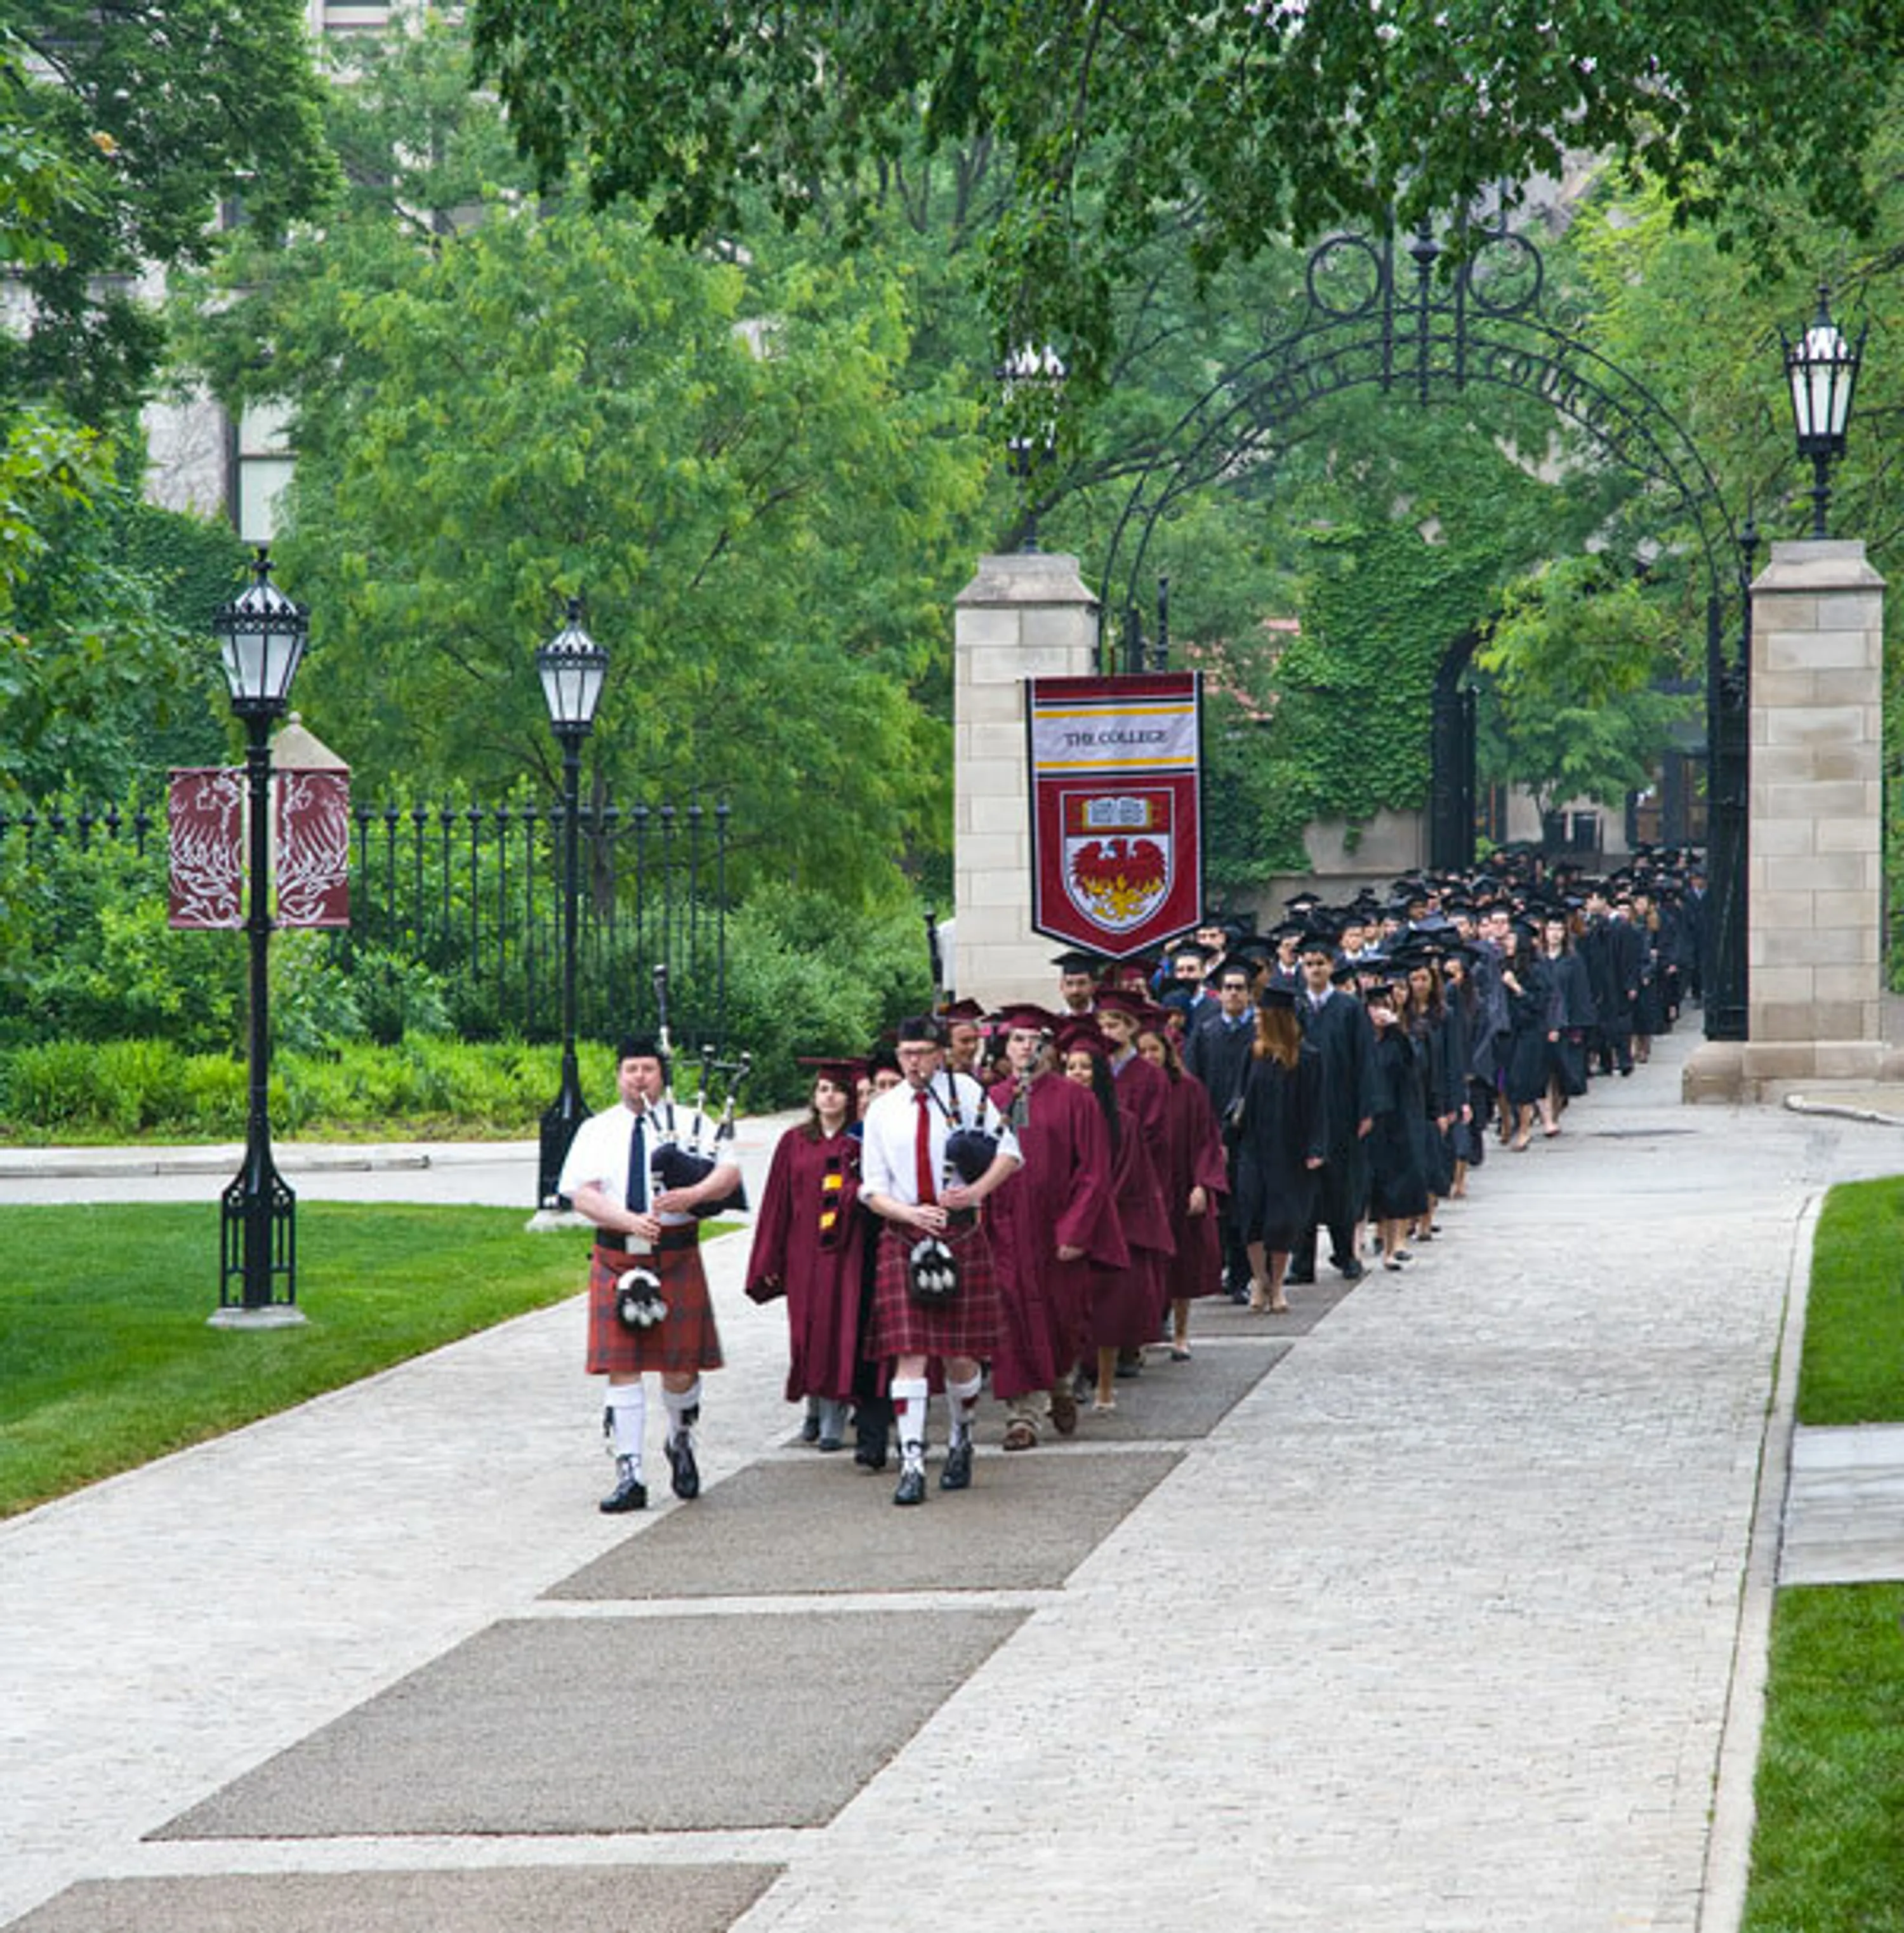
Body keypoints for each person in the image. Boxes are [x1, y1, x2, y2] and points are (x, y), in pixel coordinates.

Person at [559, 1037, 739, 1513]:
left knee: (680, 1368)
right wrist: (628, 1219)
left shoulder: (691, 1122)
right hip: (619, 1254)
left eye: (648, 1069)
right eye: (630, 1069)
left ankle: (680, 1439)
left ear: (662, 1075)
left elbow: (731, 1173)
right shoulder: (596, 1130)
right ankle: (630, 1472)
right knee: (624, 1367)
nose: (639, 1077)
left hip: (676, 1254)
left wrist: (692, 1194)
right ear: (618, 1075)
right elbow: (581, 1194)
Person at [857, 1014, 1022, 1505]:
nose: (913, 1063)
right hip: (905, 1236)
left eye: (922, 1053)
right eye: (906, 1054)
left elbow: (1009, 1153)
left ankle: (962, 1437)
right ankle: (911, 1462)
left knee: (959, 1355)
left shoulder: (967, 1093)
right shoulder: (884, 1110)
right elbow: (870, 1186)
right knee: (910, 1354)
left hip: (961, 1232)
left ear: (939, 1053)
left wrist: (974, 1192)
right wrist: (908, 1212)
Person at [985, 1007, 1126, 1448]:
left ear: (1051, 1049)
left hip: (1056, 1228)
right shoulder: (989, 1100)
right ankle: (1022, 1416)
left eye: (1035, 1040)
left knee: (1062, 1319)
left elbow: (1094, 1172)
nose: (1027, 1048)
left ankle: (1061, 1384)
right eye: (1018, 1040)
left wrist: (1076, 1229)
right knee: (1010, 1321)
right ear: (1005, 1049)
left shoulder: (1076, 1100)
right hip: (1005, 1229)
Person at [744, 1061, 868, 1452]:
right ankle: (813, 1408)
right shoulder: (794, 1141)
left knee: (838, 1331)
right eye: (822, 1089)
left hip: (846, 1253)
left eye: (837, 1089)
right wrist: (768, 1257)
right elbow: (776, 1204)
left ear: (850, 1098)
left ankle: (834, 1416)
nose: (828, 1096)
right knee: (805, 1332)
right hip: (802, 1253)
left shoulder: (860, 1143)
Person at [1227, 983, 1326, 1313]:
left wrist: (1316, 1147)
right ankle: (1259, 1280)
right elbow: (1239, 1095)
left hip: (1290, 1149)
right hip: (1253, 1146)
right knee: (1252, 1213)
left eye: (1261, 1015)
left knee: (1282, 1221)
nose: (1256, 1020)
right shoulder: (1253, 1054)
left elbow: (1317, 1107)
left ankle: (1279, 1284)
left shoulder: (1308, 1058)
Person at [1288, 932, 1376, 1287]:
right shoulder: (1293, 1009)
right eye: (1308, 964)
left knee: (1342, 1187)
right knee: (1303, 1189)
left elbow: (1365, 1061)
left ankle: (1346, 1254)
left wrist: (1366, 1109)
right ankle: (1302, 1262)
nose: (1314, 970)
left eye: (1320, 964)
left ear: (1332, 966)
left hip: (1341, 1110)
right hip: (1304, 1111)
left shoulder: (1349, 1009)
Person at [1137, 1020, 1227, 1357]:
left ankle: (1181, 1334)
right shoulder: (1133, 1090)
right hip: (1144, 1190)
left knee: (1183, 1263)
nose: (1148, 1057)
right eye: (1142, 1051)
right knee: (1147, 1267)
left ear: (1168, 1052)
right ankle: (1145, 1332)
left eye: (1154, 1050)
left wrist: (1202, 1184)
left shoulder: (1188, 1090)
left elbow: (1207, 1140)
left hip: (1180, 1185)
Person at [1184, 956, 1258, 1301]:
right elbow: (1193, 1085)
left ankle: (1241, 1277)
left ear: (1249, 993)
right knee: (1219, 1209)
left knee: (1245, 1206)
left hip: (1251, 1134)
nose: (1232, 994)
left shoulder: (1259, 1034)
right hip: (1212, 1132)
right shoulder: (1206, 1033)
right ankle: (1222, 1269)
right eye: (1227, 988)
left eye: (1239, 989)